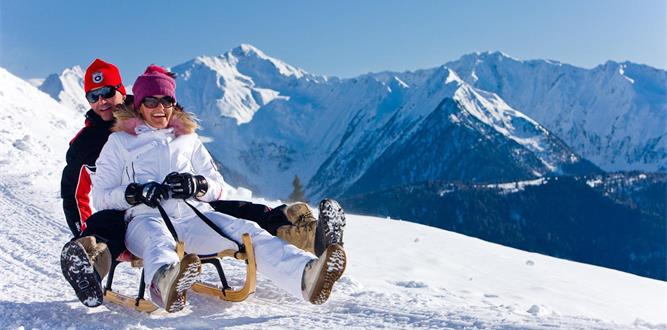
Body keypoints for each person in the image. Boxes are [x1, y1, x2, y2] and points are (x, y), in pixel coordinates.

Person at [60, 59, 346, 308]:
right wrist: (134, 194)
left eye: (166, 101)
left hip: (192, 215)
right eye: (151, 101)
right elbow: (95, 196)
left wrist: (197, 185)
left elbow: (218, 186)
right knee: (157, 242)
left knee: (246, 229)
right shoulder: (118, 141)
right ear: (140, 105)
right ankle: (159, 280)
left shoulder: (186, 137)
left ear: (124, 94)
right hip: (142, 219)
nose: (159, 107)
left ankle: (306, 273)